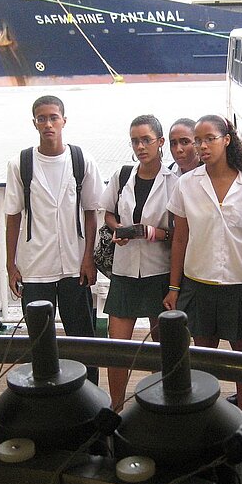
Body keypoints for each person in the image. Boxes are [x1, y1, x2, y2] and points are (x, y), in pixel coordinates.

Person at [164, 114, 242, 432]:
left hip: (241, 280)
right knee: (203, 351)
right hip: (199, 280)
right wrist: (174, 286)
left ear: (226, 139)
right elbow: (180, 237)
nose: (202, 146)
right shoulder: (187, 183)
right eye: (198, 140)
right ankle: (207, 408)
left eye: (209, 138)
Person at [5, 95, 104, 385]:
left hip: (75, 265)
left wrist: (88, 259)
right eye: (41, 118)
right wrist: (11, 266)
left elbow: (91, 212)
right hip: (35, 265)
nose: (48, 124)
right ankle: (44, 395)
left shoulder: (80, 159)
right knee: (39, 340)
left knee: (83, 338)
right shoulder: (20, 164)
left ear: (64, 120)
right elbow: (13, 217)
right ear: (34, 122)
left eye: (53, 117)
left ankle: (91, 395)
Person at [101, 115, 178, 411]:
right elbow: (107, 212)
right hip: (124, 270)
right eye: (135, 140)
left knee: (163, 346)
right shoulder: (123, 175)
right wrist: (119, 228)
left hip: (159, 271)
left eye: (147, 140)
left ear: (160, 143)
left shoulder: (174, 182)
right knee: (118, 346)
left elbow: (181, 232)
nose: (141, 146)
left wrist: (154, 233)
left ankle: (163, 403)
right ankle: (116, 405)